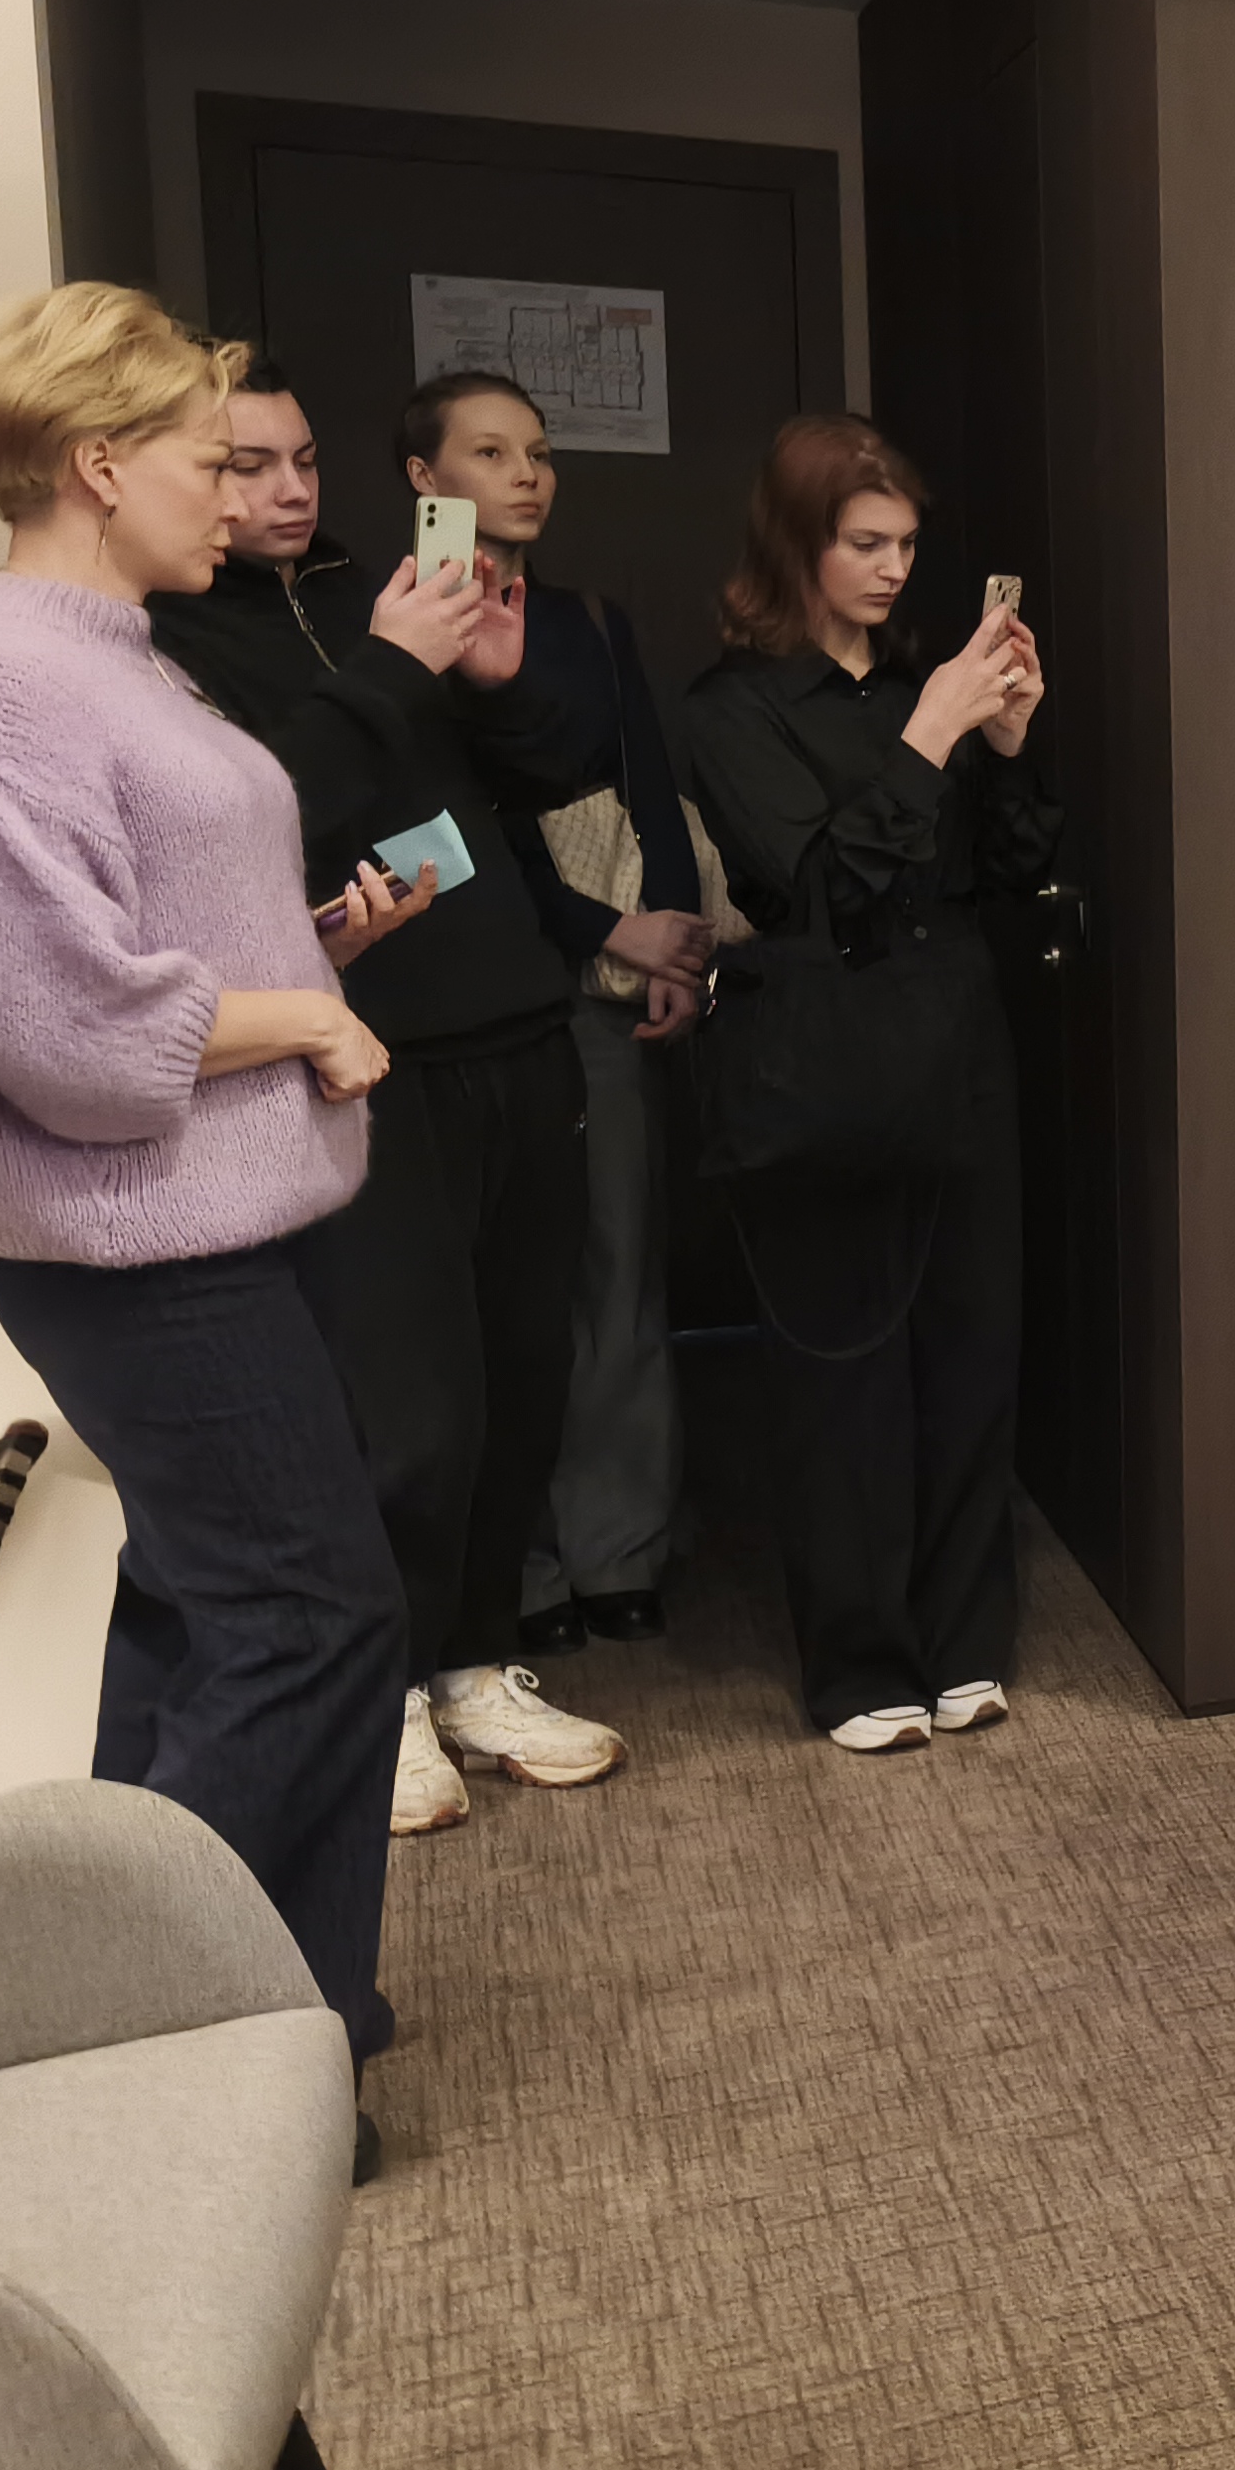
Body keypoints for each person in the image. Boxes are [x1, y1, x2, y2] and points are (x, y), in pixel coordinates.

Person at [0, 284, 436, 2068]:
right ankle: (138, 2026)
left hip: (220, 1218)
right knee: (311, 1618)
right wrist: (298, 1013)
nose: (245, 492)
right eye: (213, 459)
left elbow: (137, 937)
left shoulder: (120, 653)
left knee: (208, 1610)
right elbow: (40, 1012)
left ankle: (267, 2030)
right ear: (98, 464)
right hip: (141, 1247)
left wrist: (313, 950)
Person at [152, 362, 629, 1832]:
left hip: (516, 1025)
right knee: (409, 1406)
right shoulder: (168, 636)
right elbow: (258, 822)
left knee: (524, 1378)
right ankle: (391, 1694)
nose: (289, 489)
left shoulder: (384, 589)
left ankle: (478, 1665)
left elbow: (546, 778)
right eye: (246, 464)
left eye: (303, 458)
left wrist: (495, 683)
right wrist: (393, 666)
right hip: (364, 1052)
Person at [675, 416, 1054, 1754]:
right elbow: (821, 892)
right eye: (865, 542)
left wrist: (1003, 744)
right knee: (841, 1376)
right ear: (798, 545)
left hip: (957, 1048)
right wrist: (933, 732)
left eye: (905, 544)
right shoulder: (728, 709)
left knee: (970, 1357)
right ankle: (859, 1665)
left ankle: (965, 1643)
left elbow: (1004, 872)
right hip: (821, 1065)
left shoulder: (919, 689)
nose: (895, 568)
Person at [500, 553, 713, 1652]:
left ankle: (618, 1548)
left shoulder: (585, 616)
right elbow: (460, 823)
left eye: (536, 464)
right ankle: (522, 1562)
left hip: (604, 992)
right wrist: (602, 927)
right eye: (493, 463)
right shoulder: (397, 625)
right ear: (421, 476)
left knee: (621, 1260)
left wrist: (672, 945)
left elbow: (648, 781)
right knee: (509, 1288)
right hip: (486, 991)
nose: (524, 477)